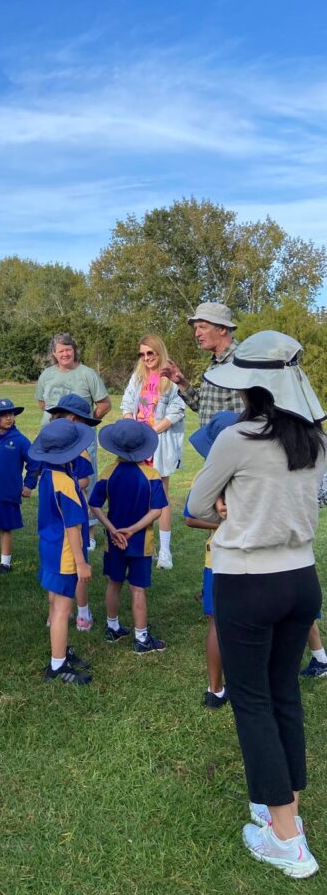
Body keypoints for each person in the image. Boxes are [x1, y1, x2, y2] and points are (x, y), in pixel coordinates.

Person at [187, 330, 325, 878]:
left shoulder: (238, 437)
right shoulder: (314, 439)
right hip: (302, 579)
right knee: (284, 690)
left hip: (248, 580)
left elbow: (198, 501)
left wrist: (230, 505)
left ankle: (287, 837)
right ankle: (284, 802)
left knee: (252, 701)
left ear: (250, 388)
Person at [89, 419, 168, 654]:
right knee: (137, 588)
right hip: (140, 542)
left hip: (114, 542)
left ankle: (112, 627)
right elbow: (157, 510)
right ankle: (141, 638)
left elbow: (94, 505)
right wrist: (133, 530)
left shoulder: (108, 472)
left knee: (113, 582)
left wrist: (113, 529)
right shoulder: (151, 475)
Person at [28, 419, 96, 685]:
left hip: (49, 545)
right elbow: (72, 526)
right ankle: (57, 665)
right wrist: (81, 563)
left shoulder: (48, 475)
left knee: (55, 601)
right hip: (65, 552)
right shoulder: (66, 484)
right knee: (62, 609)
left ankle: (61, 651)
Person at [184, 411, 240, 709]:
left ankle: (215, 690)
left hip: (217, 558)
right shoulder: (252, 472)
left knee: (218, 623)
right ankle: (228, 687)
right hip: (246, 556)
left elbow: (190, 515)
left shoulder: (208, 475)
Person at [35, 333, 111, 550]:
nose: (65, 354)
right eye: (60, 351)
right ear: (54, 354)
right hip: (52, 440)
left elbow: (105, 404)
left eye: (68, 349)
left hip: (81, 440)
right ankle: (59, 525)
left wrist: (86, 422)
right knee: (55, 481)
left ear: (74, 350)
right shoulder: (46, 375)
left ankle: (90, 532)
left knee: (85, 482)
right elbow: (42, 403)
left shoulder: (87, 374)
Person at [121, 334, 186, 569]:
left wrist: (152, 432)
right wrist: (131, 425)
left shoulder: (169, 377)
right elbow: (127, 403)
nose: (147, 358)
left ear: (159, 352)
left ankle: (165, 552)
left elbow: (177, 410)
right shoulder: (137, 376)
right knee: (139, 493)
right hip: (137, 444)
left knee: (161, 496)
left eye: (151, 353)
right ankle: (139, 544)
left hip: (159, 443)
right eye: (142, 354)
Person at [161, 302, 245, 427]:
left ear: (222, 329)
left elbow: (247, 418)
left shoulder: (240, 363)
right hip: (213, 445)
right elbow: (203, 408)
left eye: (202, 327)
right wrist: (182, 383)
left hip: (231, 445)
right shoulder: (215, 363)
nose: (197, 334)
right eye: (196, 328)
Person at [0, 398, 38, 577]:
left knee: (6, 528)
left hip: (9, 493)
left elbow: (35, 463)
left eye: (11, 414)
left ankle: (5, 563)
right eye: (4, 415)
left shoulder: (20, 440)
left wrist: (29, 484)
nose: (9, 418)